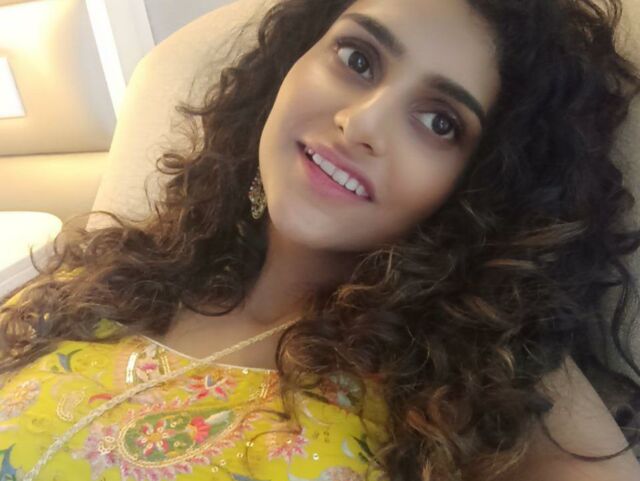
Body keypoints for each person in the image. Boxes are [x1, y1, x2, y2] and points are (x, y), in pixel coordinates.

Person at [1, 0, 639, 479]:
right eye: (358, 60)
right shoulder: (117, 271)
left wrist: (508, 298)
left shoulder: (453, 393)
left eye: (439, 121)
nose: (361, 122)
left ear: (483, 186)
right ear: (289, 65)